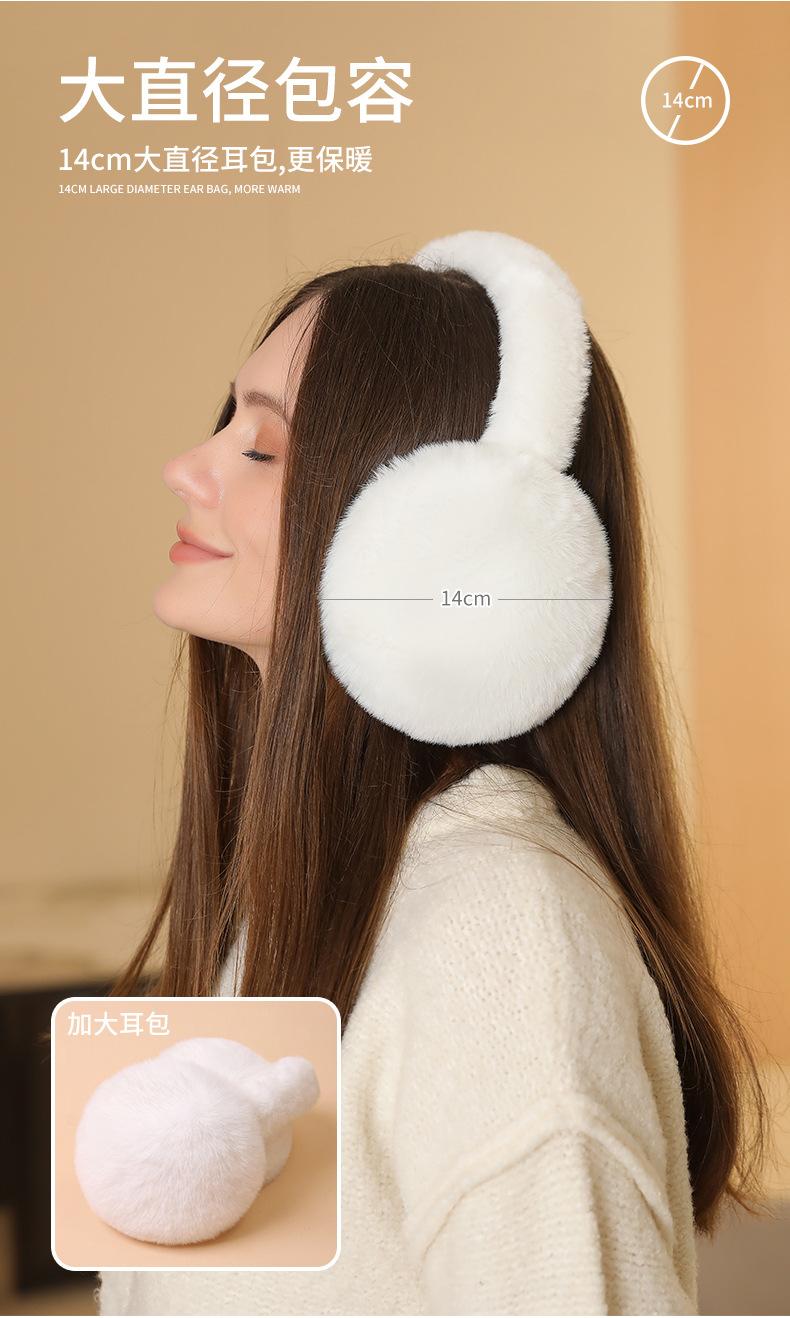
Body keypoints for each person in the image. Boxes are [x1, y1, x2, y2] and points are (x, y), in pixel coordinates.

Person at [96, 234, 770, 1316]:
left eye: (260, 449)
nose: (189, 468)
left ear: (440, 548)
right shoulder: (308, 897)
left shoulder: (501, 938)